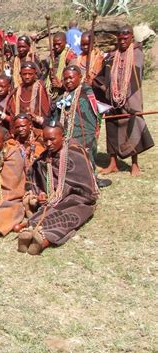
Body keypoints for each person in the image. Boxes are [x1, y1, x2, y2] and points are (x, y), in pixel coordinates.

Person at [18, 121, 99, 255]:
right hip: (54, 199)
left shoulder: (75, 154)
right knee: (46, 211)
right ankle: (32, 232)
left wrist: (62, 194)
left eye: (52, 139)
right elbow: (36, 179)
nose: (48, 144)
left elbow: (86, 188)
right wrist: (41, 194)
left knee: (68, 216)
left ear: (63, 137)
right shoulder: (44, 158)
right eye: (45, 140)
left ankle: (43, 241)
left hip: (78, 199)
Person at [101, 25, 154, 176]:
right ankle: (113, 163)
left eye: (126, 38)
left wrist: (127, 97)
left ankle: (135, 164)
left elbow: (135, 77)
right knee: (111, 127)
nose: (123, 42)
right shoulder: (113, 55)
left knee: (133, 128)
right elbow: (105, 73)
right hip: (113, 98)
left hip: (130, 98)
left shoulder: (137, 54)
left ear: (131, 37)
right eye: (120, 39)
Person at [7, 62, 50, 129]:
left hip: (36, 128)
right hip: (20, 129)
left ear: (35, 74)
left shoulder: (40, 88)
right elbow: (13, 113)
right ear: (20, 75)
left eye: (30, 74)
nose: (27, 77)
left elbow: (46, 113)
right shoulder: (17, 90)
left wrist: (36, 117)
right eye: (24, 74)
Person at [45, 32, 77, 99]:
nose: (56, 47)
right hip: (51, 91)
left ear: (65, 42)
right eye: (54, 44)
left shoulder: (70, 56)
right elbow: (46, 71)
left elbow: (73, 79)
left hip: (65, 92)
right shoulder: (52, 55)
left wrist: (61, 85)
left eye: (59, 44)